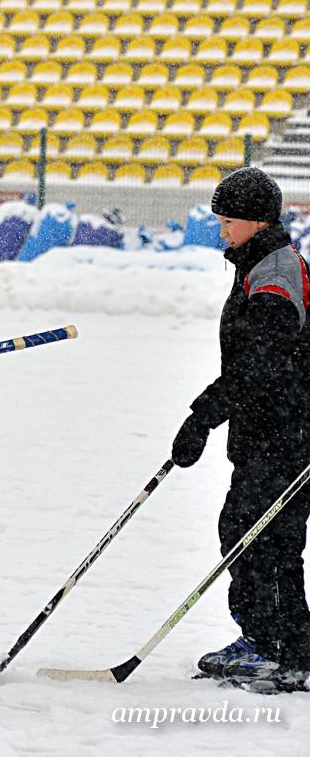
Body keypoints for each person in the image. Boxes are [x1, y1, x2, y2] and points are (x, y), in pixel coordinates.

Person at [170, 166, 310, 691]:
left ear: (255, 221)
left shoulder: (275, 276)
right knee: (244, 532)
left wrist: (202, 416)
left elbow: (260, 366)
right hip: (265, 429)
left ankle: (291, 652)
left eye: (228, 221)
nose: (221, 230)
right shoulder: (257, 262)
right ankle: (261, 638)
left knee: (269, 539)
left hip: (289, 433)